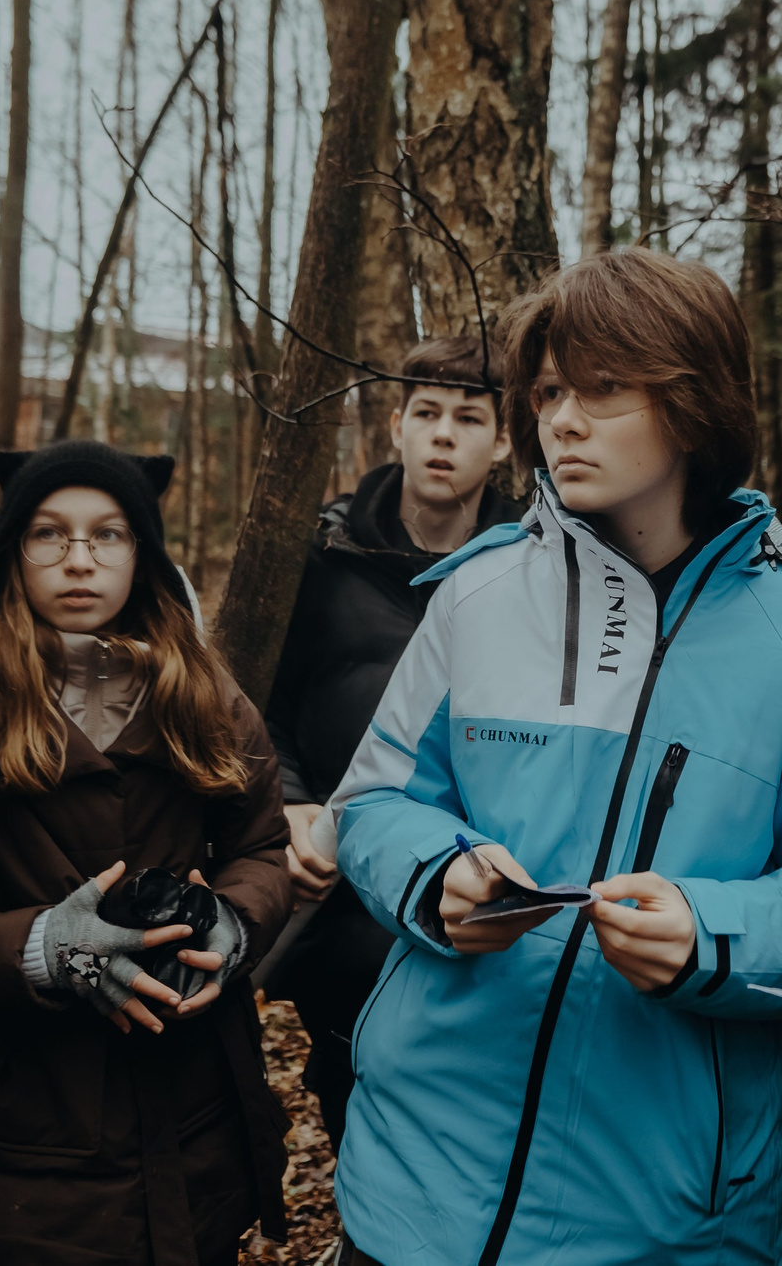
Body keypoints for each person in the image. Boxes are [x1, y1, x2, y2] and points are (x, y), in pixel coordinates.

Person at [322, 248, 782, 1266]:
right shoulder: (478, 595)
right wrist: (437, 870)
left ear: (694, 402)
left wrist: (711, 934)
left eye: (602, 389)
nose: (560, 419)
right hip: (407, 1190)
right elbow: (371, 801)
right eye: (549, 390)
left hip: (664, 1218)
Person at [0, 439, 294, 1265]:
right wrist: (45, 946)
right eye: (50, 533)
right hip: (20, 1138)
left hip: (193, 1122)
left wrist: (231, 921)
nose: (80, 558)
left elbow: (261, 848)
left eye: (108, 534)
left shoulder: (205, 693)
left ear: (141, 553)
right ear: (13, 551)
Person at [264, 334, 521, 1148]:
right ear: (397, 428)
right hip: (341, 899)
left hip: (481, 892)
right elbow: (261, 705)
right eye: (428, 412)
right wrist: (292, 803)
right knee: (356, 1092)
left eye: (470, 418)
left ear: (504, 440)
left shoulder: (534, 566)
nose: (445, 434)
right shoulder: (322, 552)